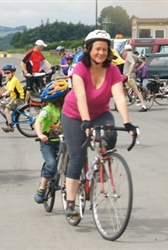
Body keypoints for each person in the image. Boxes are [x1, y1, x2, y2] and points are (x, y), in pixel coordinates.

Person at [61, 30, 138, 216]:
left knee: (111, 136)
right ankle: (71, 201)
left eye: (104, 49)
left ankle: (99, 166)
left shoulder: (112, 70)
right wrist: (86, 121)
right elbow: (80, 97)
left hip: (100, 113)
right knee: (77, 156)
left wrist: (127, 123)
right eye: (97, 49)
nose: (101, 53)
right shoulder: (80, 68)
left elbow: (119, 97)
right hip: (74, 114)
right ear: (88, 49)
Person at [34, 80, 68, 203]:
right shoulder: (48, 109)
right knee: (51, 164)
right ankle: (42, 188)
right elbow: (37, 122)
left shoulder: (67, 109)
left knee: (70, 160)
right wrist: (40, 135)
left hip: (62, 141)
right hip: (47, 142)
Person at [0, 64, 25, 133]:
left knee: (6, 111)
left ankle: (10, 126)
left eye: (8, 73)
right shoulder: (9, 80)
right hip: (13, 97)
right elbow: (6, 89)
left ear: (13, 73)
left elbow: (9, 91)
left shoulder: (14, 80)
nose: (6, 74)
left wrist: (2, 95)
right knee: (1, 105)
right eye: (5, 73)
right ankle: (11, 116)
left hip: (18, 98)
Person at [123, 44, 147, 112]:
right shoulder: (134, 55)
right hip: (130, 76)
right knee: (125, 90)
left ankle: (143, 105)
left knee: (135, 90)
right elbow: (142, 63)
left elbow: (133, 63)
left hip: (129, 76)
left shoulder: (129, 55)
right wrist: (136, 70)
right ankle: (121, 106)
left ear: (125, 50)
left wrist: (129, 72)